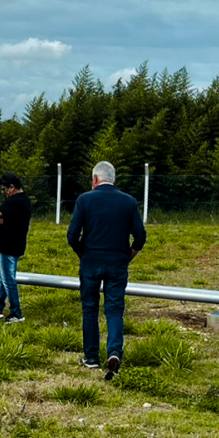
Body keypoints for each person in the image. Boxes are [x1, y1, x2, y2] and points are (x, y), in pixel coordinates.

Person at [67, 161, 147, 380]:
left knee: (90, 309)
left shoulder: (84, 200)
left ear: (94, 179)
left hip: (91, 260)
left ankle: (91, 357)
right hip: (118, 262)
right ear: (114, 180)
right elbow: (140, 236)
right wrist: (128, 257)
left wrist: (82, 253)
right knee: (114, 310)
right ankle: (114, 352)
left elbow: (72, 235)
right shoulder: (128, 202)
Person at [0, 172, 33, 323]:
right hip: (15, 244)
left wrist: (0, 217)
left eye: (5, 189)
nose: (4, 193)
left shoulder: (14, 201)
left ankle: (16, 312)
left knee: (8, 279)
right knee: (4, 277)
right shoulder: (24, 200)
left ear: (12, 187)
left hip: (8, 246)